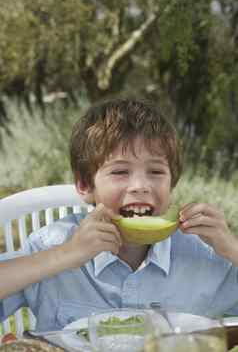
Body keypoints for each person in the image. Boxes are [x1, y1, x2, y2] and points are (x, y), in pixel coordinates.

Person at [1, 98, 238, 332]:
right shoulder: (53, 245)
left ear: (172, 185)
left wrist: (231, 249)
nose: (140, 186)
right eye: (120, 171)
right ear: (85, 185)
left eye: (155, 171)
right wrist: (66, 254)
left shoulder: (202, 255)